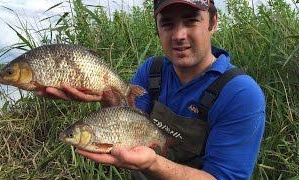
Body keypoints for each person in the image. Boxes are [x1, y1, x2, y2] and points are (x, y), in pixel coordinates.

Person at [38, 0, 266, 179]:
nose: (178, 35)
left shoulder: (240, 93)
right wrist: (105, 95)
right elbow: (124, 122)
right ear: (157, 30)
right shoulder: (152, 71)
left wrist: (153, 163)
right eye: (167, 23)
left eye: (191, 21)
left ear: (213, 22)